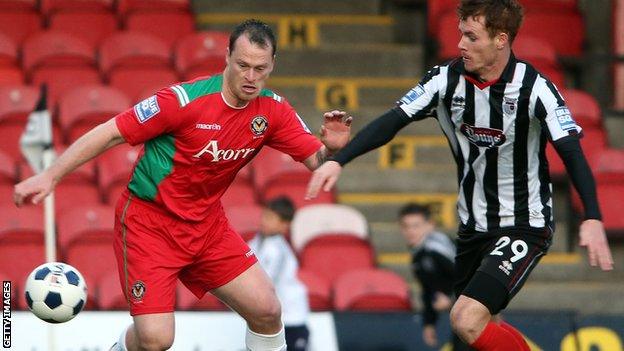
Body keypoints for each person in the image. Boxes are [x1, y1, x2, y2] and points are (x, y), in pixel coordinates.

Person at [14, 19, 352, 351]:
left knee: (267, 310)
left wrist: (334, 151)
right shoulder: (181, 102)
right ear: (227, 57)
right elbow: (111, 131)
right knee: (155, 340)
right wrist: (51, 175)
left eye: (260, 68)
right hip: (150, 225)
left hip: (207, 226)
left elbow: (317, 163)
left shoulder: (273, 111)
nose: (251, 77)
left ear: (272, 64)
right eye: (243, 65)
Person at [306, 1, 614, 350]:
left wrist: (591, 216)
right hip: (472, 228)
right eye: (460, 35)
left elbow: (571, 151)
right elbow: (393, 121)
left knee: (465, 318)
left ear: (501, 39)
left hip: (523, 224)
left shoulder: (536, 88)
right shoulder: (444, 81)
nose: (461, 45)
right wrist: (339, 159)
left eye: (471, 37)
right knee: (477, 330)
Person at [248, 196, 310, 351]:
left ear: (284, 225)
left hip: (291, 320)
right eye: (264, 215)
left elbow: (265, 283)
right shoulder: (256, 241)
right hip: (271, 322)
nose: (264, 221)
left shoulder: (280, 251)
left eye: (270, 218)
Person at [398, 203, 456, 348]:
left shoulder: (436, 249)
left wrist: (451, 300)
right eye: (406, 226)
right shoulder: (419, 254)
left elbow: (469, 276)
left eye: (416, 226)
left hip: (475, 312)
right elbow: (428, 291)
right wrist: (429, 323)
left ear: (430, 225)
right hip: (464, 314)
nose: (411, 231)